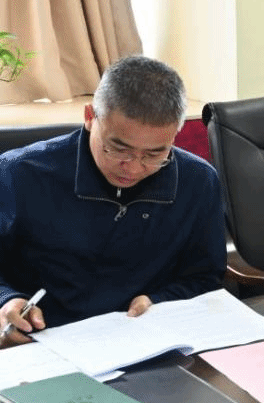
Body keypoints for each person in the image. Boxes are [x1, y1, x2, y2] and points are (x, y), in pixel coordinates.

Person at [0, 56, 226, 347]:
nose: (132, 167)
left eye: (154, 154)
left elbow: (204, 277)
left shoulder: (198, 181)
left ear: (175, 134)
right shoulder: (18, 174)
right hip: (41, 341)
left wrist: (158, 300)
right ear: (89, 117)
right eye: (118, 148)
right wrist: (6, 301)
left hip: (144, 342)